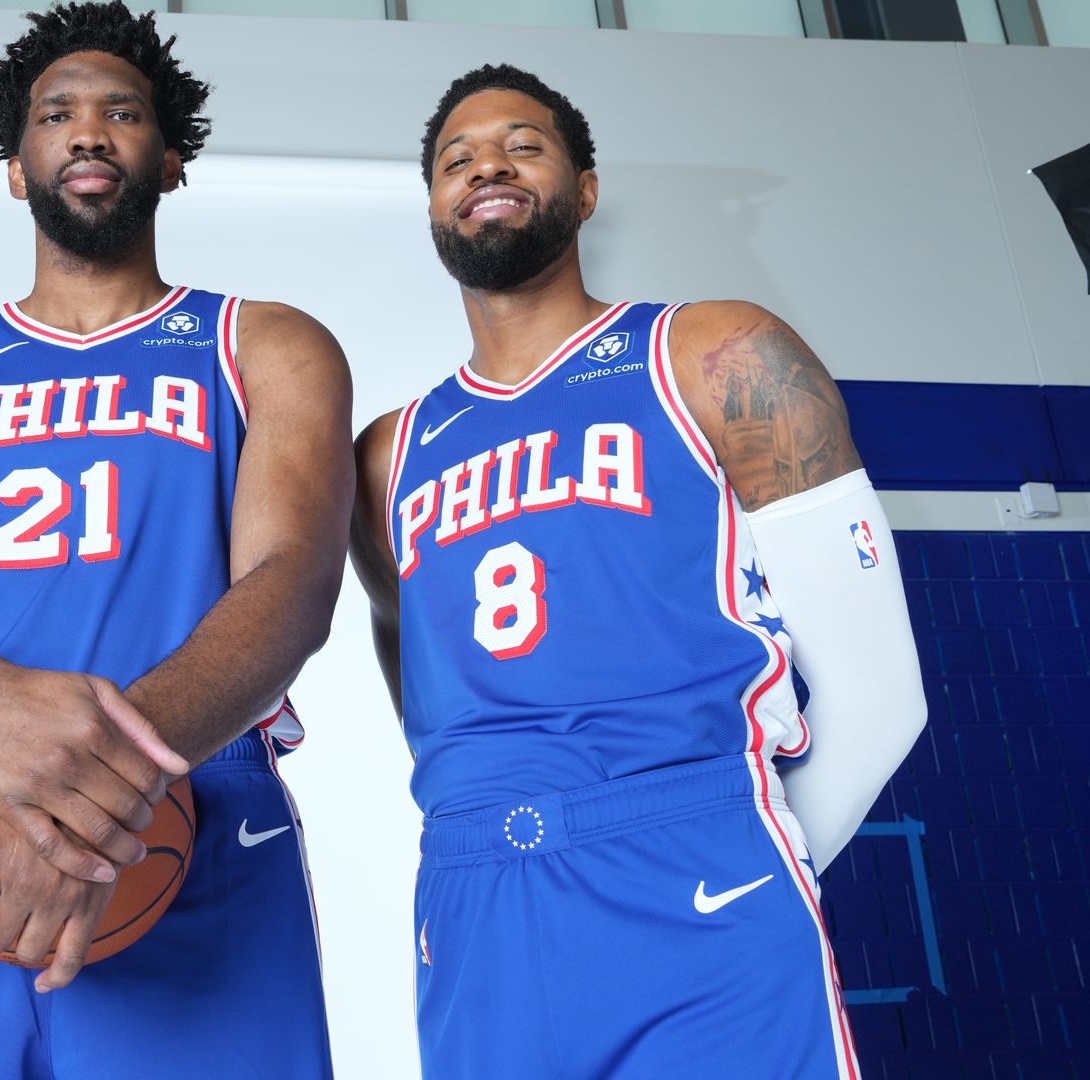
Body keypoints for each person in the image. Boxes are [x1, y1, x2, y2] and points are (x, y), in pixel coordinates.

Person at [348, 65, 925, 1078]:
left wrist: (755, 860)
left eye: (524, 144)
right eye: (456, 157)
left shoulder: (716, 353)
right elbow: (426, 693)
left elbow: (885, 698)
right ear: (434, 205)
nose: (488, 163)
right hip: (476, 897)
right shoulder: (390, 453)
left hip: (695, 859)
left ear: (586, 189)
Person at [0, 4, 351, 1077]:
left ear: (173, 159)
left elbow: (290, 588)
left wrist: (84, 787)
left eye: (122, 113)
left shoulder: (266, 345)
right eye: (57, 116)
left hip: (188, 811)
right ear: (17, 167)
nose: (89, 133)